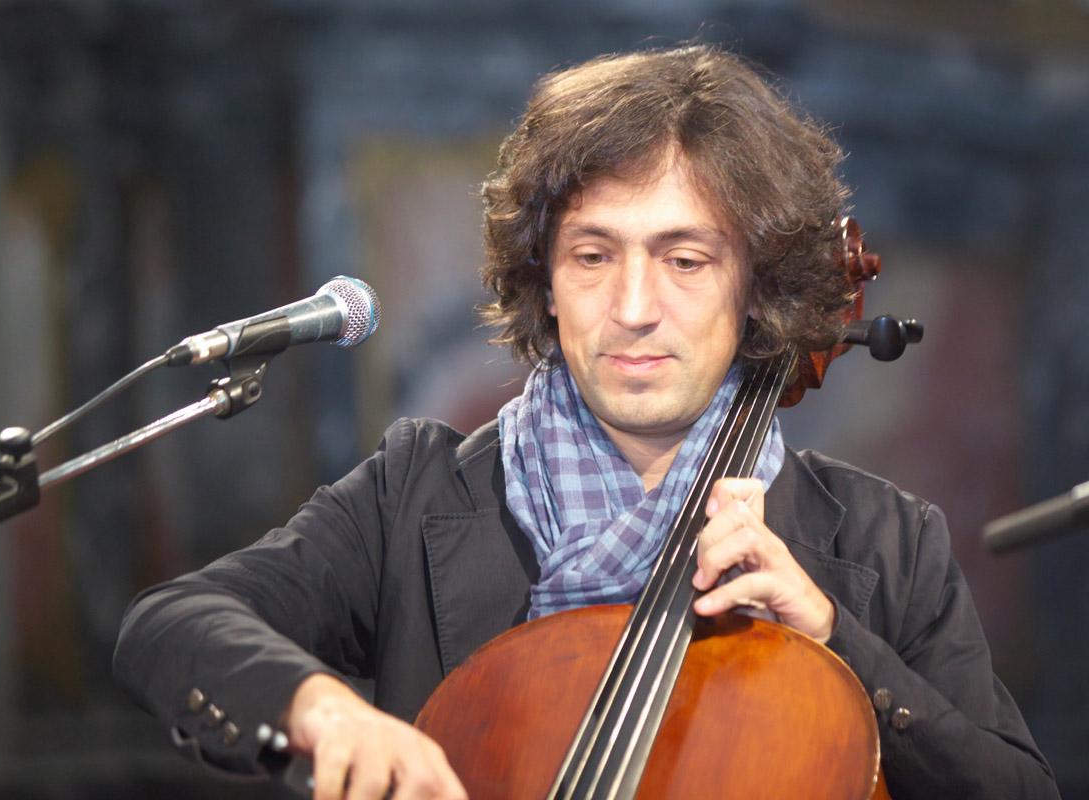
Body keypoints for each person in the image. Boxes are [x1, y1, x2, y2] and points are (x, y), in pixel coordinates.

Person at [113, 44, 1060, 800]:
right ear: (546, 282)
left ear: (756, 290)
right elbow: (173, 621)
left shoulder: (884, 544)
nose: (633, 308)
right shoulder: (416, 496)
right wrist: (325, 710)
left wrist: (836, 638)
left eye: (685, 261)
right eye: (593, 256)